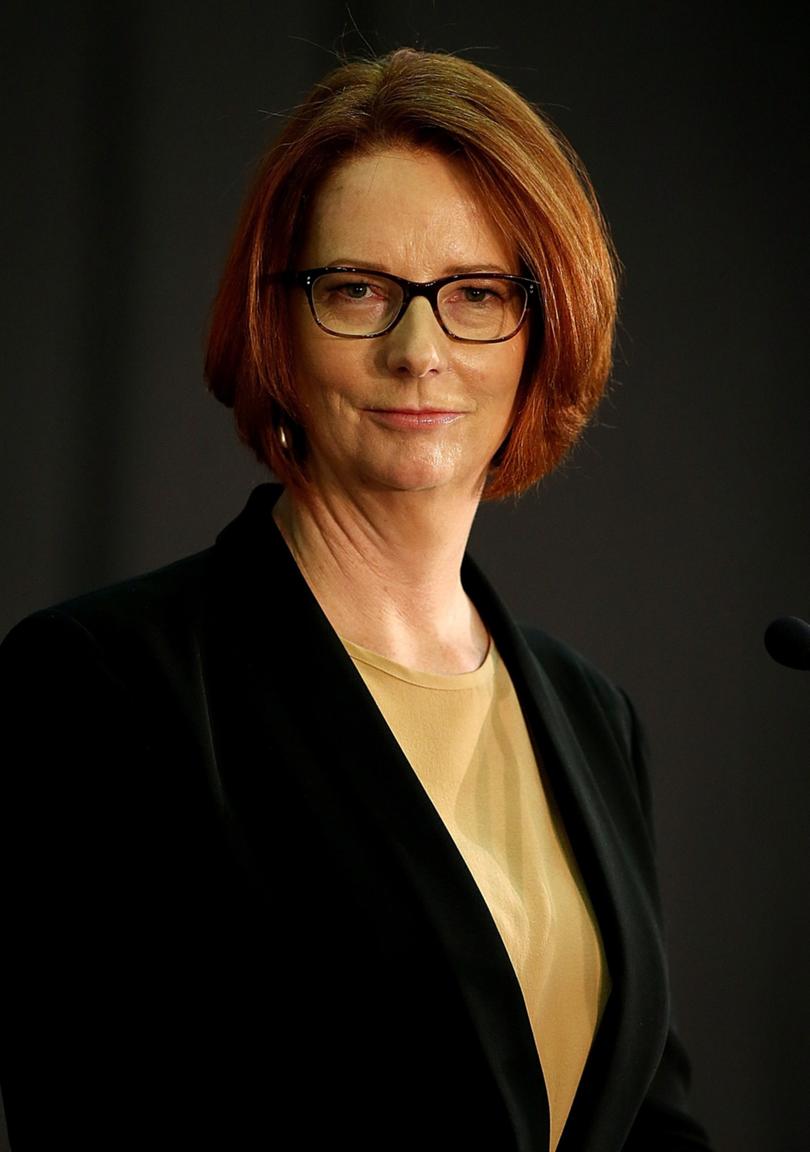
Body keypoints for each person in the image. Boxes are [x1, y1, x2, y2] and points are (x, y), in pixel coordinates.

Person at [0, 48, 713, 1151]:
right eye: (359, 291)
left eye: (476, 294)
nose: (417, 351)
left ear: (545, 328)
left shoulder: (591, 718)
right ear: (275, 326)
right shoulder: (105, 686)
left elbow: (649, 1124)